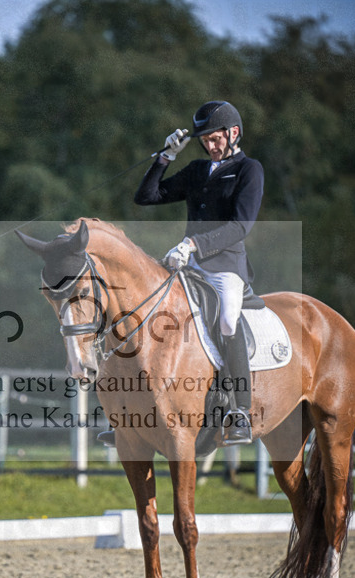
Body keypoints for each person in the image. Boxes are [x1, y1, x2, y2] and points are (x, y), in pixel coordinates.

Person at [133, 100, 264, 445]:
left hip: (226, 266)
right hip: (189, 264)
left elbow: (241, 226)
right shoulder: (195, 170)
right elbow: (147, 196)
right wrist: (166, 157)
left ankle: (240, 411)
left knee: (228, 320)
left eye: (216, 138)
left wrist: (193, 244)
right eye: (205, 140)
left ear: (234, 133)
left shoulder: (249, 170)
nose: (211, 145)